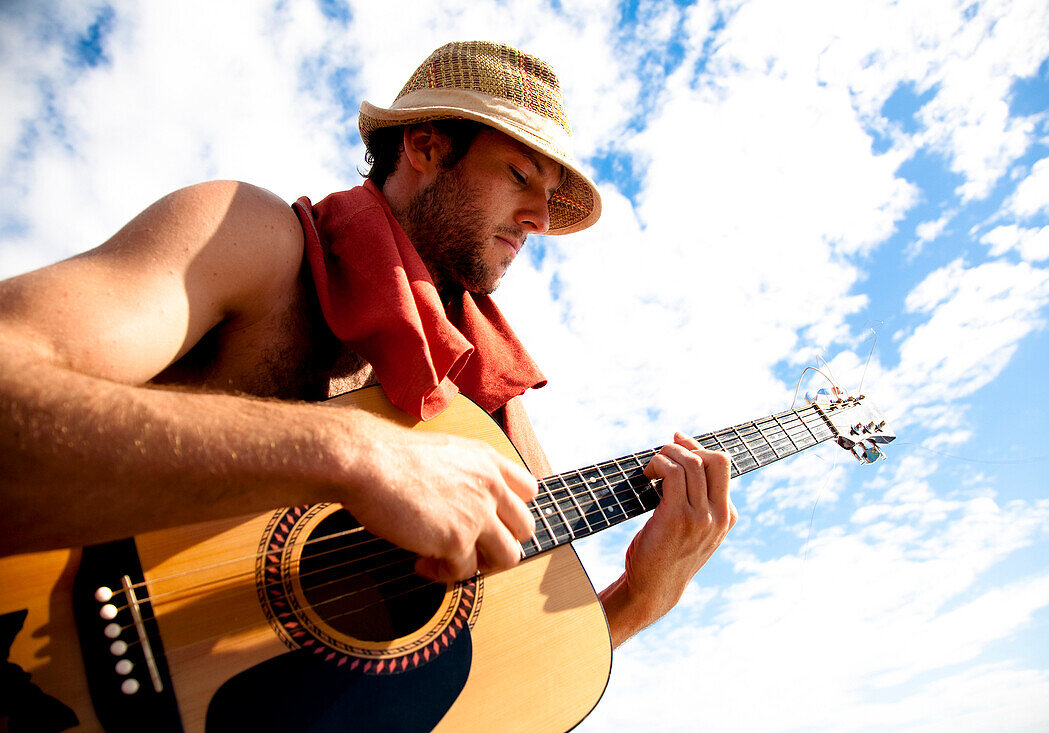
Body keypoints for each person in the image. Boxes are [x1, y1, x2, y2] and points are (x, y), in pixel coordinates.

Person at [0, 40, 736, 650]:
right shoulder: (249, 239)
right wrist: (347, 451)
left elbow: (501, 690)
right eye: (521, 176)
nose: (540, 218)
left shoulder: (495, 418)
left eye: (550, 196)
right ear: (424, 147)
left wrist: (639, 599)